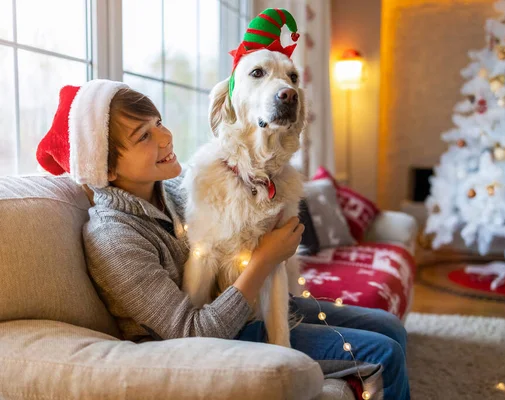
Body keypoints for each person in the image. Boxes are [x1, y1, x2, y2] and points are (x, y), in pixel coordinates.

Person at [35, 78, 410, 399]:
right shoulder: (114, 238)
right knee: (385, 352)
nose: (166, 136)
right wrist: (264, 260)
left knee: (389, 326)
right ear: (106, 166)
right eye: (144, 135)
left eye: (159, 122)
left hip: (245, 309)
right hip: (208, 344)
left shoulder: (175, 192)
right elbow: (191, 332)